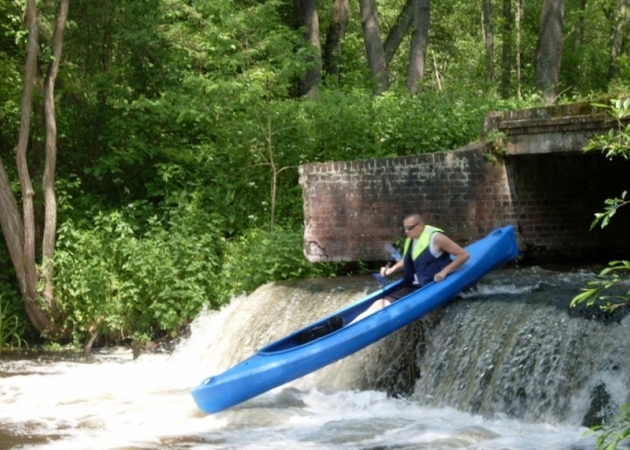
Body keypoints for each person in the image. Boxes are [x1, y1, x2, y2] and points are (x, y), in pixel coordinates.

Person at [351, 213, 470, 323]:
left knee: (382, 304)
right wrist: (391, 270)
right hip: (414, 285)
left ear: (421, 226)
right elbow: (408, 260)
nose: (406, 231)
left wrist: (444, 272)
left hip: (429, 285)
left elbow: (463, 255)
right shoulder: (412, 240)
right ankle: (350, 326)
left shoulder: (437, 238)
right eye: (405, 228)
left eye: (410, 228)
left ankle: (351, 329)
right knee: (379, 303)